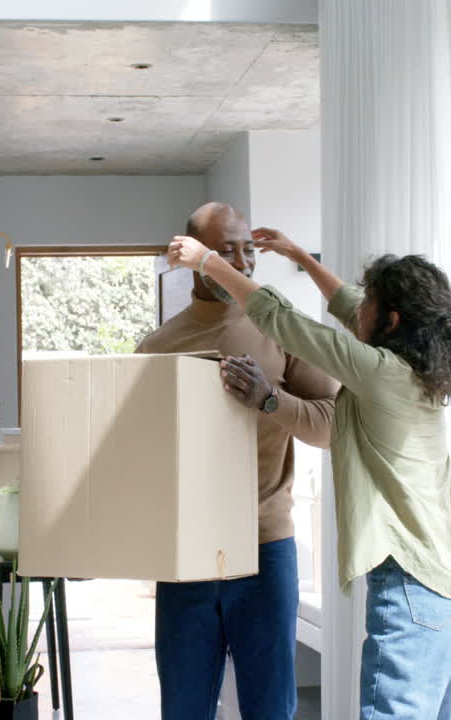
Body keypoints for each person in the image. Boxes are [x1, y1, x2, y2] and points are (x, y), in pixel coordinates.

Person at [168, 227, 451, 719]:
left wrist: (209, 261)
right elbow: (349, 303)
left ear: (392, 320)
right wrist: (299, 255)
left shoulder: (379, 370)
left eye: (371, 303)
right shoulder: (419, 368)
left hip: (413, 591)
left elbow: (282, 320)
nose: (356, 308)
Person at [138, 202, 339, 720]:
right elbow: (137, 458)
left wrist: (271, 398)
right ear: (192, 256)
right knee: (183, 708)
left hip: (264, 546)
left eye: (248, 249)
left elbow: (334, 424)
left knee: (270, 708)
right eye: (225, 250)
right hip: (185, 554)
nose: (242, 261)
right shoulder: (156, 347)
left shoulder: (284, 330)